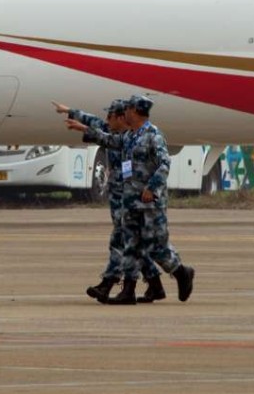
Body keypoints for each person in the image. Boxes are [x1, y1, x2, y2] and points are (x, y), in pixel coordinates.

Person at [74, 95, 195, 305]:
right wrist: (85, 130)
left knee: (155, 247)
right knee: (131, 245)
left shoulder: (153, 135)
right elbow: (110, 140)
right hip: (130, 201)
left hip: (149, 203)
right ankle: (128, 291)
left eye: (128, 109)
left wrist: (152, 187)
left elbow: (164, 163)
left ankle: (181, 272)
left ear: (136, 112)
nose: (125, 112)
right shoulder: (130, 136)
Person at [54, 99, 163, 304]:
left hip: (131, 196)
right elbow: (94, 122)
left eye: (110, 115)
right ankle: (155, 283)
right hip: (118, 194)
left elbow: (158, 164)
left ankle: (108, 283)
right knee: (132, 243)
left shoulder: (134, 138)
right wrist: (70, 111)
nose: (106, 120)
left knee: (121, 241)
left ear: (122, 117)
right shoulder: (112, 131)